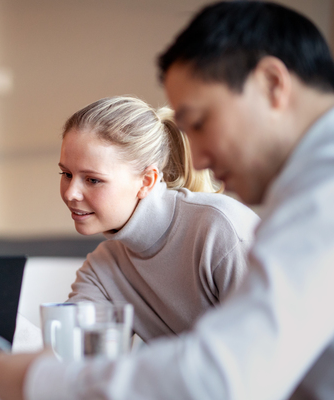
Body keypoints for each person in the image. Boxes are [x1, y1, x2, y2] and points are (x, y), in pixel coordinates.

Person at [0, 1, 334, 399]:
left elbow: (225, 375)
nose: (196, 160)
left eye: (200, 123)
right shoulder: (321, 184)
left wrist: (39, 381)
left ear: (272, 84)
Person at [60, 96, 259, 341]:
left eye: (92, 180)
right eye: (66, 173)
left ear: (147, 181)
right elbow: (70, 351)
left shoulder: (220, 229)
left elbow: (264, 351)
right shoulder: (103, 267)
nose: (70, 193)